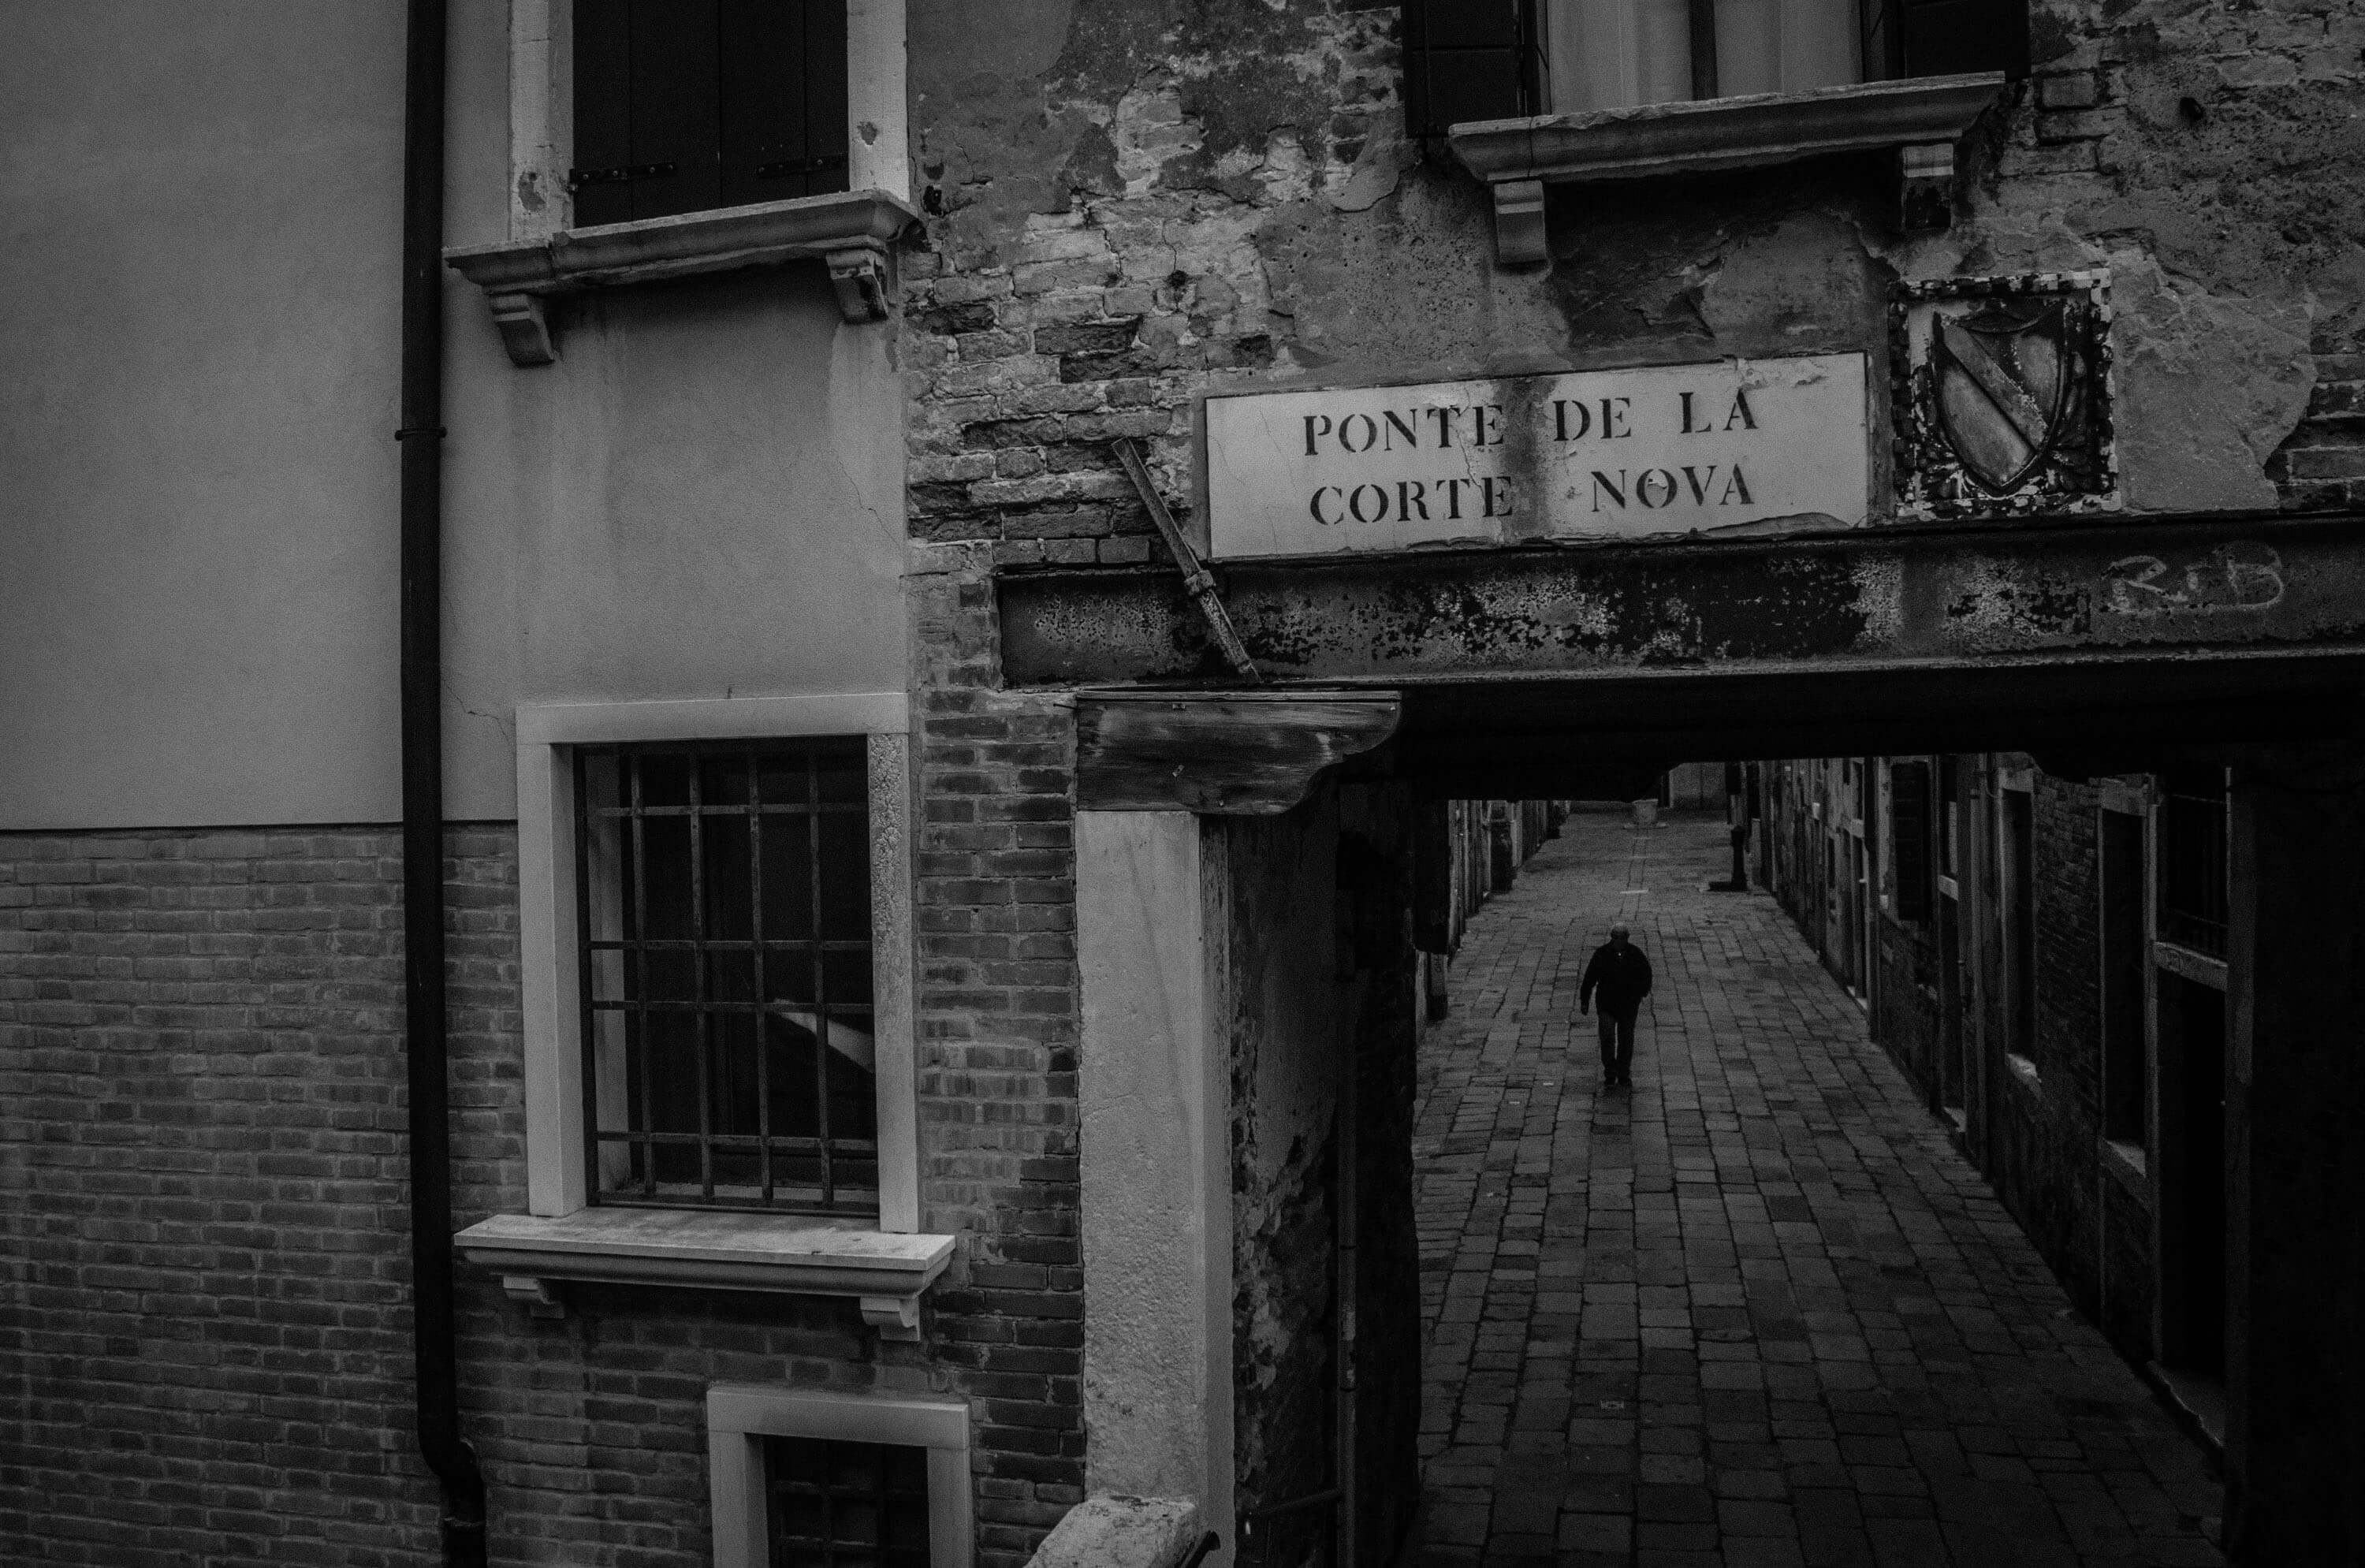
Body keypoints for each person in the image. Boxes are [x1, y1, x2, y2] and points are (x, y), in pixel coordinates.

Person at [1578, 921, 1652, 1089]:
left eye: (1622, 937)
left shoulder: (1635, 954)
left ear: (1627, 938)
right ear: (1612, 937)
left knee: (1626, 1039)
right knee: (1607, 1038)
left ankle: (1623, 1072)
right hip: (1607, 1004)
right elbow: (1590, 977)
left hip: (1628, 1005)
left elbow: (1646, 974)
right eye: (1617, 937)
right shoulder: (1602, 954)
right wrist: (1585, 1000)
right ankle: (1610, 1071)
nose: (1619, 941)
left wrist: (1641, 992)